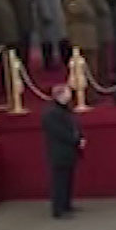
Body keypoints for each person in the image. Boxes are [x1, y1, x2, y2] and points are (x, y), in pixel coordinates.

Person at [41, 85, 84, 219]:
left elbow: (74, 126)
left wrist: (80, 137)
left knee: (68, 179)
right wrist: (75, 140)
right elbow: (59, 132)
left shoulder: (66, 110)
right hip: (59, 151)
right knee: (60, 181)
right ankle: (58, 210)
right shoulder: (51, 113)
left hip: (69, 150)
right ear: (60, 95)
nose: (69, 95)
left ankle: (66, 204)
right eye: (67, 93)